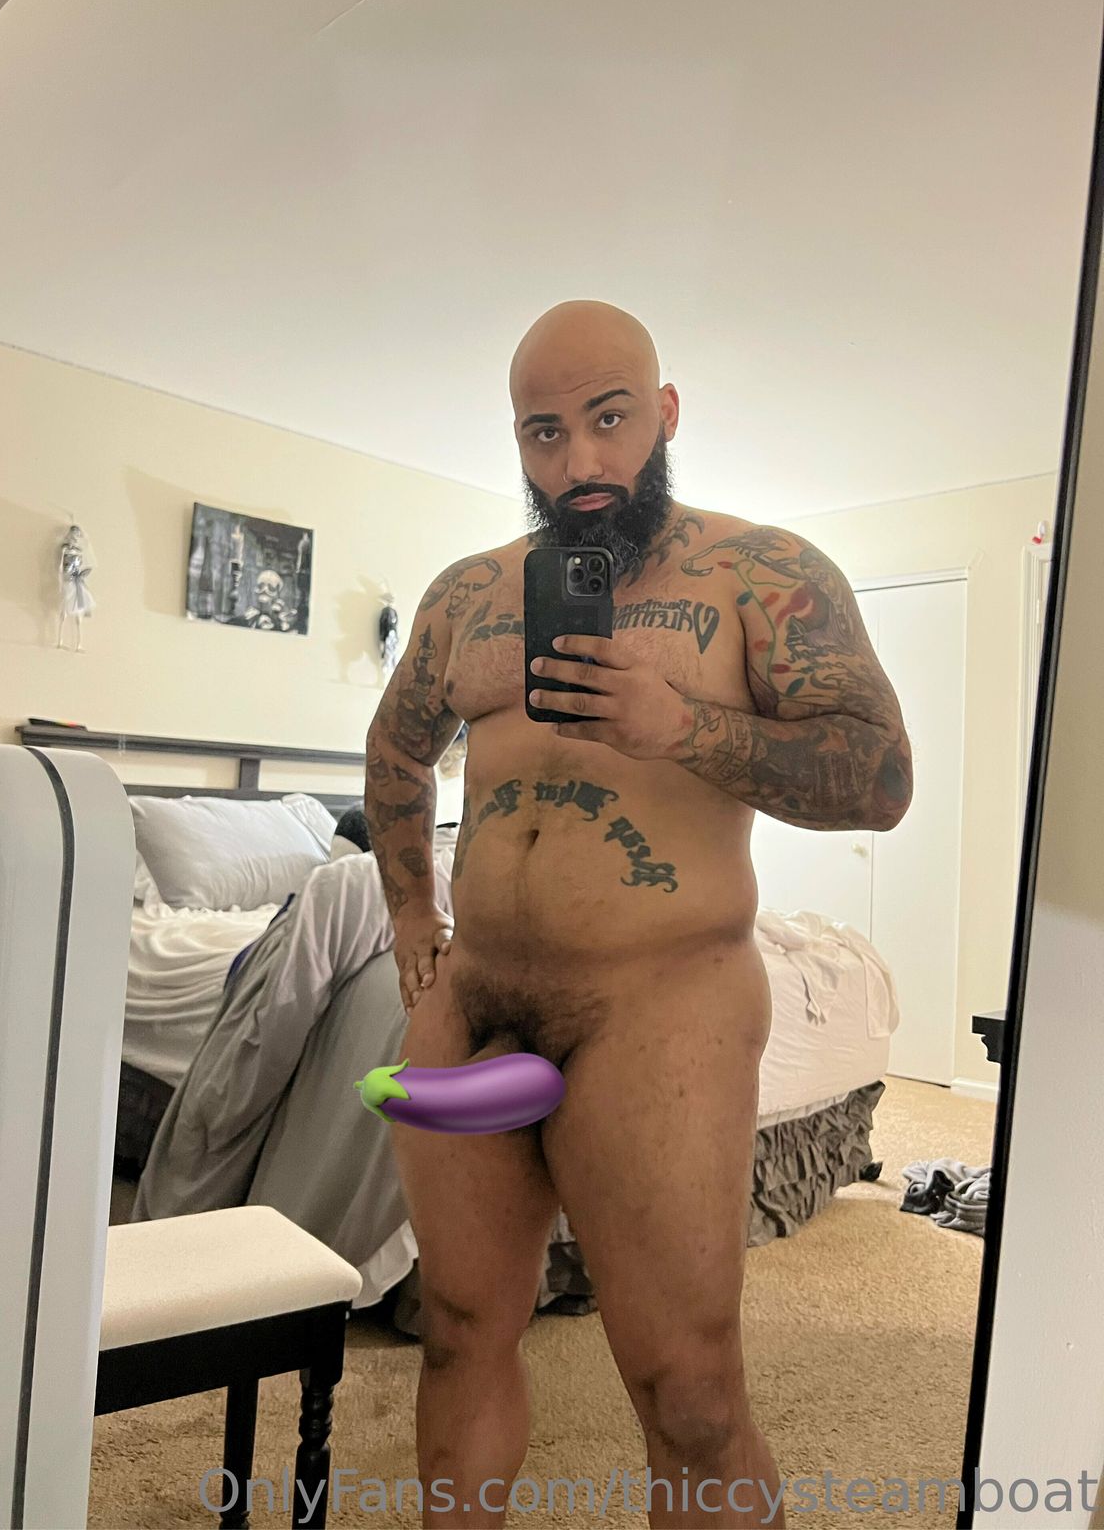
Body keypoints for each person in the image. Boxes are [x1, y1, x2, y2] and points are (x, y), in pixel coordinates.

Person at [363, 300, 913, 1529]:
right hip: (476, 997)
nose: (580, 462)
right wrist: (409, 912)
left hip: (661, 1004)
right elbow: (395, 749)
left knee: (690, 1392)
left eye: (608, 419)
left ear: (663, 413)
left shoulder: (764, 574)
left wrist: (684, 728)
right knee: (457, 1327)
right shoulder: (466, 595)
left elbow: (881, 777)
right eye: (544, 432)